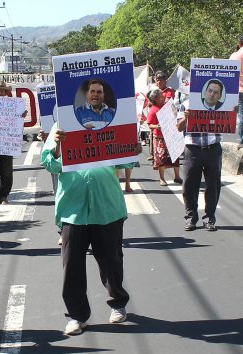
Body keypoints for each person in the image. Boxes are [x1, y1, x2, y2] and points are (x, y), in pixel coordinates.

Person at [41, 124, 137, 335]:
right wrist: (57, 145)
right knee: (72, 264)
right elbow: (50, 164)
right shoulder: (60, 126)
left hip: (107, 206)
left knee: (111, 259)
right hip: (73, 209)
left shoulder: (110, 121)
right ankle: (77, 315)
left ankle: (118, 302)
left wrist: (133, 149)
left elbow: (127, 160)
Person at [176, 90, 237, 232]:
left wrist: (233, 113)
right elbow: (179, 127)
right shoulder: (186, 104)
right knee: (190, 185)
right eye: (209, 90)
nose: (212, 94)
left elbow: (229, 122)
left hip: (213, 148)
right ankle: (191, 217)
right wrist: (186, 118)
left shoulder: (223, 106)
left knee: (213, 185)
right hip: (192, 149)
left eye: (215, 92)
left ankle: (210, 217)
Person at [147, 88, 181, 187]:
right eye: (161, 97)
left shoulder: (167, 106)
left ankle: (177, 176)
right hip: (160, 137)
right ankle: (162, 178)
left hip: (171, 135)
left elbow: (175, 115)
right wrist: (156, 126)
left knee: (175, 156)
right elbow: (149, 124)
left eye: (163, 96)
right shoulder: (153, 110)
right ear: (155, 99)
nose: (163, 98)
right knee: (161, 158)